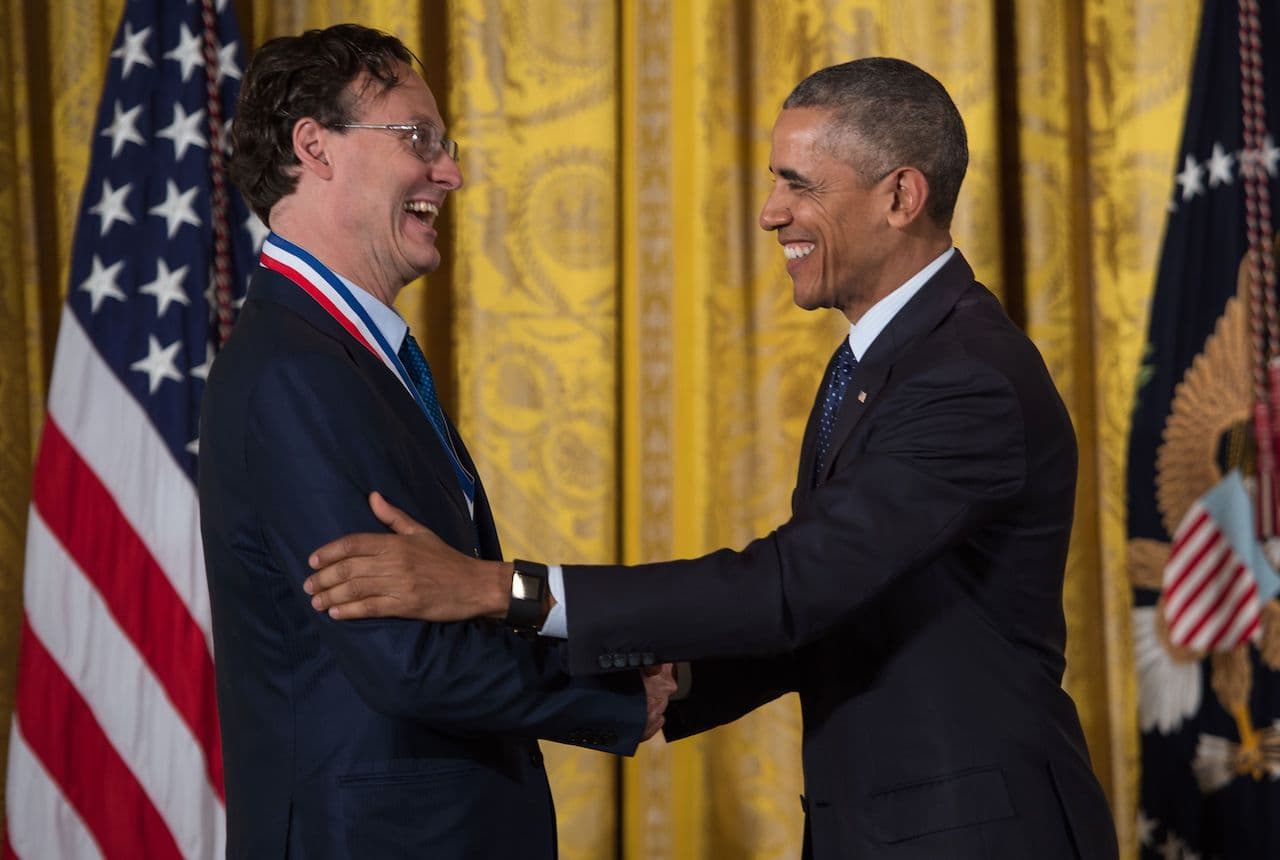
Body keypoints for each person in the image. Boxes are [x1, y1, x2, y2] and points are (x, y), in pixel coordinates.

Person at [303, 58, 1120, 859]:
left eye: (801, 184)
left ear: (901, 197)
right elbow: (844, 606)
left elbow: (790, 588)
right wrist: (657, 686)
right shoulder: (887, 364)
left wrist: (495, 588)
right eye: (775, 181)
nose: (770, 212)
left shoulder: (963, 380)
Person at [198, 24, 673, 860]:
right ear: (316, 148)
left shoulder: (347, 356)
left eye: (444, 144)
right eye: (419, 138)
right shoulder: (295, 371)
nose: (449, 172)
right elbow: (407, 657)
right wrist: (621, 693)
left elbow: (442, 605)